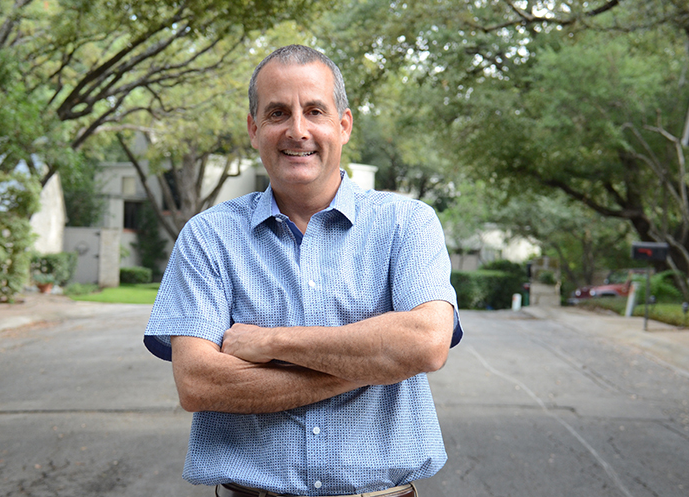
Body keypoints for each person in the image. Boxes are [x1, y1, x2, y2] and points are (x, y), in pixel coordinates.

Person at [144, 44, 463, 497]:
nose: (298, 130)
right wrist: (376, 363)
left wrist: (271, 342)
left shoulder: (407, 224)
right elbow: (198, 382)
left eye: (315, 110)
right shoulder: (208, 237)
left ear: (343, 125)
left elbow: (426, 344)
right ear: (254, 129)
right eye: (277, 113)